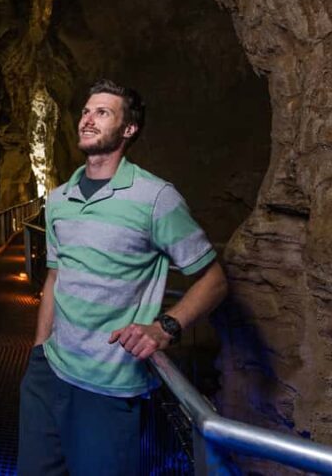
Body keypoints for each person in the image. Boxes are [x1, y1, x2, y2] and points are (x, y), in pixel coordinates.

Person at [17, 79, 229, 475]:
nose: (87, 119)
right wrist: (38, 350)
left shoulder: (155, 198)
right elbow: (54, 278)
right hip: (49, 375)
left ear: (128, 129)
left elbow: (214, 280)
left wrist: (165, 327)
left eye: (102, 112)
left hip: (108, 384)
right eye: (85, 111)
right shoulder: (59, 199)